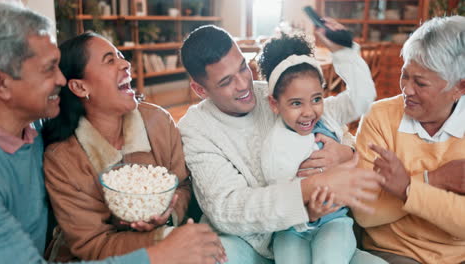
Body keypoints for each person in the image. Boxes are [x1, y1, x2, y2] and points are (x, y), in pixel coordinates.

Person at [0, 3, 224, 264]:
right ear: (80, 87)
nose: (59, 81)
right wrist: (163, 246)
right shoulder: (61, 155)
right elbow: (90, 242)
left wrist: (168, 212)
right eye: (49, 68)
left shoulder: (158, 121)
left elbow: (184, 184)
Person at [178, 24, 385, 263]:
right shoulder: (195, 129)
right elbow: (227, 209)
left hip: (321, 228)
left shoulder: (276, 94)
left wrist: (345, 153)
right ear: (200, 89)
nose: (244, 84)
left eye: (243, 67)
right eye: (226, 81)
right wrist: (308, 195)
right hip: (249, 244)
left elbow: (332, 124)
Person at [258, 21, 378, 263]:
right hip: (292, 228)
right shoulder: (274, 141)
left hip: (334, 221)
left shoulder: (329, 113)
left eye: (316, 98)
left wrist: (343, 50)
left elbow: (363, 96)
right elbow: (279, 198)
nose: (309, 112)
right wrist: (308, 212)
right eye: (295, 102)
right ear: (275, 102)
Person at [353, 16, 465, 264]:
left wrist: (403, 188)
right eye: (405, 75)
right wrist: (434, 179)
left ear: (459, 87)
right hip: (392, 253)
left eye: (420, 82)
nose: (407, 89)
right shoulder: (379, 117)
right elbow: (365, 213)